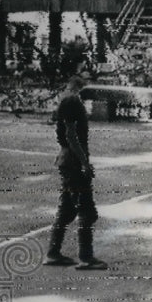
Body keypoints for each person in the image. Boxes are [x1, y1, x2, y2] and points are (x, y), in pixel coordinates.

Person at [44, 73, 107, 269]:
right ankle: (86, 257)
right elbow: (71, 135)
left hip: (67, 160)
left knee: (67, 210)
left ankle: (54, 253)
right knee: (87, 211)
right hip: (72, 161)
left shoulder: (66, 98)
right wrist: (84, 162)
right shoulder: (72, 100)